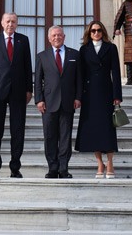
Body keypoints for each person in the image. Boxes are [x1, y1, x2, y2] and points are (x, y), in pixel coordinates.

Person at [0, 12, 33, 178]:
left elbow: (28, 66)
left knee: (17, 130)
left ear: (17, 24)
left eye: (13, 21)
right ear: (2, 23)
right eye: (8, 21)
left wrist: (29, 89)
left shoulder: (23, 40)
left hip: (18, 91)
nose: (10, 24)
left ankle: (15, 167)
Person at [75, 20, 123, 178]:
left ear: (103, 32)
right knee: (93, 129)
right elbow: (80, 75)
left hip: (106, 91)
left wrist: (117, 95)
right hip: (89, 94)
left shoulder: (111, 48)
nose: (96, 33)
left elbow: (115, 72)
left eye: (99, 30)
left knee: (107, 128)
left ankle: (110, 162)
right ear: (89, 33)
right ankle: (99, 164)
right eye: (93, 31)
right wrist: (78, 97)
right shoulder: (83, 50)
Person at [34, 26, 82, 178]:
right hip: (48, 103)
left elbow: (79, 79)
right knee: (50, 136)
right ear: (49, 38)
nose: (57, 38)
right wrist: (39, 100)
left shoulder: (74, 54)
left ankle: (63, 168)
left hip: (68, 102)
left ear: (64, 37)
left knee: (65, 137)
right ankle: (52, 168)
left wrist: (78, 97)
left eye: (59, 35)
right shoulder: (42, 56)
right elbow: (38, 81)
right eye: (54, 35)